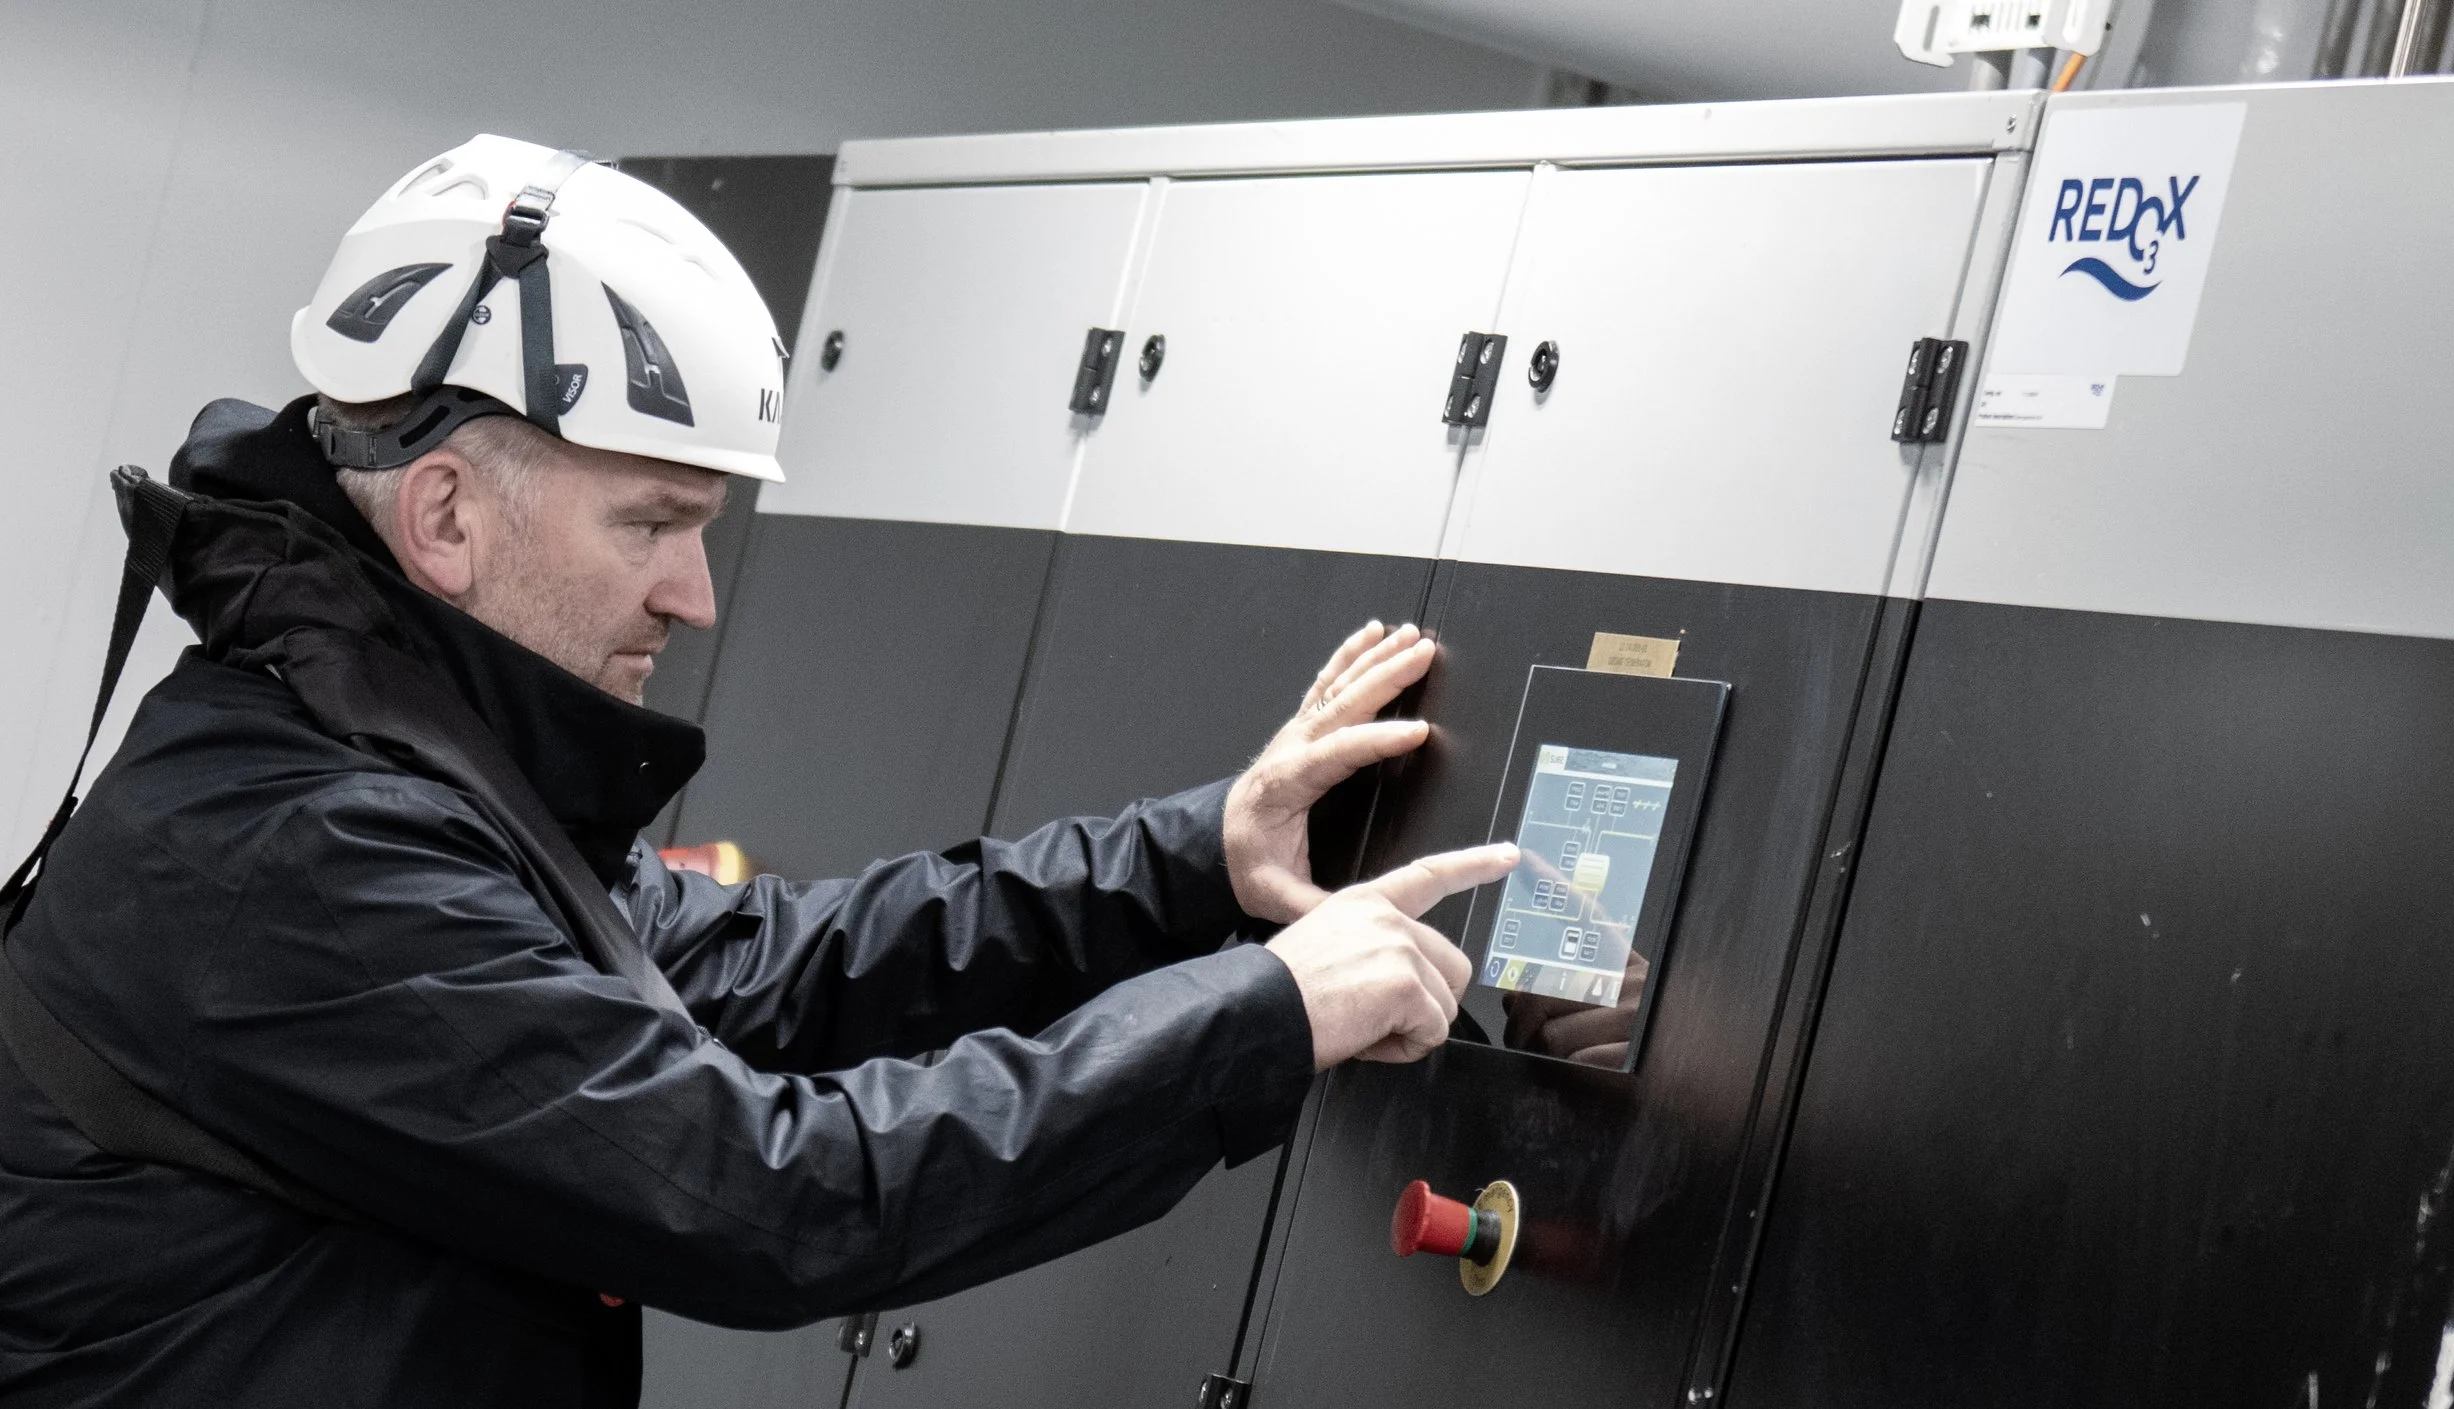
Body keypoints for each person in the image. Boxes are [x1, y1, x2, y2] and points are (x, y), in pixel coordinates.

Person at [0, 136, 1513, 1407]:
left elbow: (750, 963)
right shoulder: (301, 849)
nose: (694, 595)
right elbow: (771, 1199)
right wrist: (1261, 1018)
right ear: (447, 516)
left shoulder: (394, 758)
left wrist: (1193, 859)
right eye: (651, 525)